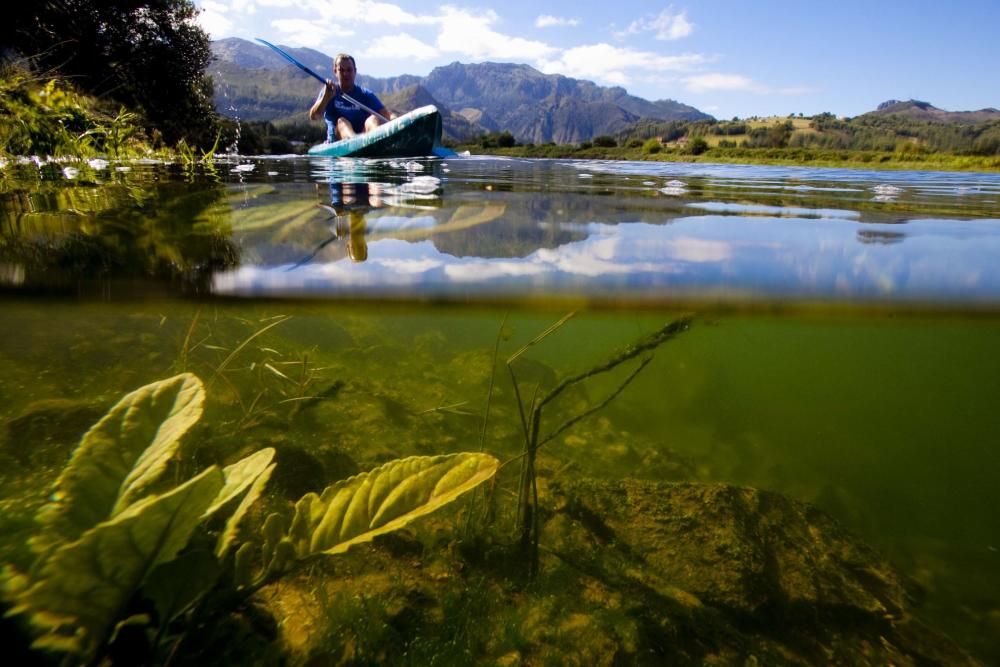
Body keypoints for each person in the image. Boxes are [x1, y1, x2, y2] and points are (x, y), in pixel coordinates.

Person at [309, 53, 396, 142]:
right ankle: (354, 141)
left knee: (373, 119)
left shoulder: (365, 94)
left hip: (365, 139)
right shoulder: (328, 91)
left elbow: (387, 115)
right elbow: (314, 117)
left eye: (349, 70)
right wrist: (326, 97)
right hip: (338, 140)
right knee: (341, 122)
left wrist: (401, 122)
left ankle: (377, 143)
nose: (345, 73)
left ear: (355, 71)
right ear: (335, 71)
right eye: (341, 70)